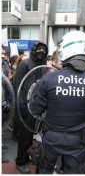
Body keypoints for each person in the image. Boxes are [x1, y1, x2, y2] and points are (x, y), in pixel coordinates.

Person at [28, 31, 85, 174]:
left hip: (51, 137)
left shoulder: (48, 79)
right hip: (79, 141)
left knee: (45, 170)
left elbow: (35, 110)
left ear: (65, 50)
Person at [12, 41, 48, 174]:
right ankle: (20, 161)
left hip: (36, 108)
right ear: (34, 50)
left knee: (32, 135)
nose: (41, 52)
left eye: (44, 50)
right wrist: (21, 105)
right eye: (39, 50)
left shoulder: (43, 66)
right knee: (25, 136)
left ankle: (27, 157)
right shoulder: (25, 63)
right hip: (24, 107)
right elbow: (17, 85)